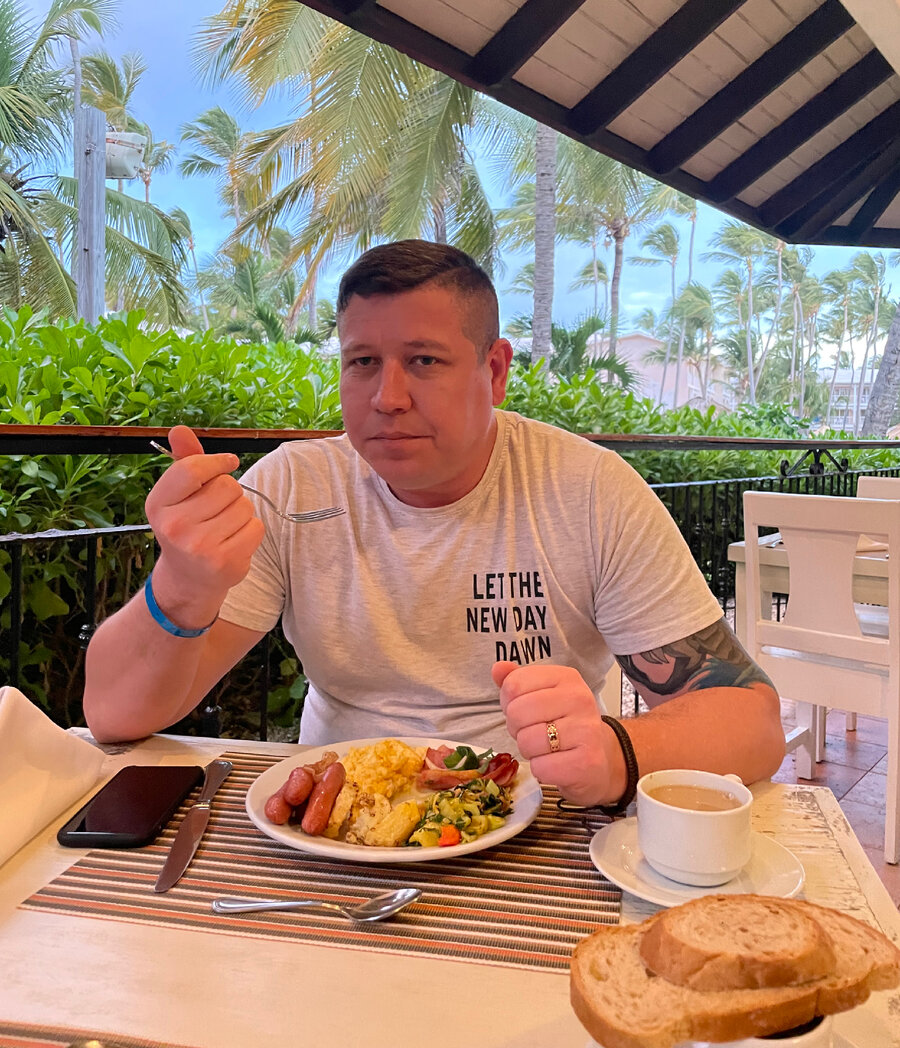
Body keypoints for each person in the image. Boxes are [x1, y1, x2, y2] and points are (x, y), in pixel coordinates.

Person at [84, 240, 785, 809]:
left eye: (423, 361)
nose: (387, 397)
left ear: (495, 371)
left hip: (535, 819)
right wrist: (182, 588)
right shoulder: (292, 487)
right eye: (363, 362)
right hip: (336, 826)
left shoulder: (589, 490)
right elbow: (113, 716)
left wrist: (616, 752)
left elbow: (752, 723)